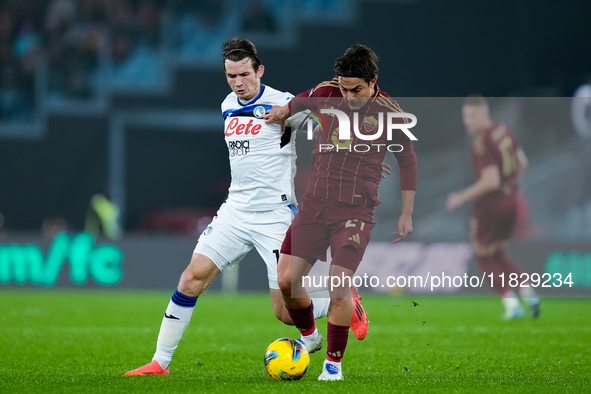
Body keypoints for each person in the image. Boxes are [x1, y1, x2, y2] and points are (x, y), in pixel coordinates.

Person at [124, 37, 337, 376]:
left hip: (274, 217)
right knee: (191, 278)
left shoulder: (282, 103)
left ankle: (340, 305)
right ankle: (159, 362)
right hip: (234, 212)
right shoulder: (227, 104)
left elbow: (323, 119)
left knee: (283, 312)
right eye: (231, 76)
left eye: (244, 75)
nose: (238, 83)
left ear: (259, 70)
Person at [265, 44, 417, 381]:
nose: (349, 96)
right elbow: (302, 101)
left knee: (336, 285)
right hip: (315, 205)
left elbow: (407, 159)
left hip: (355, 212)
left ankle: (333, 367)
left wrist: (406, 212)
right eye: (344, 88)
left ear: (373, 82)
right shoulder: (327, 92)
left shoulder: (389, 112)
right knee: (287, 281)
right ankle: (311, 339)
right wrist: (282, 112)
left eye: (357, 90)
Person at [446, 94, 541, 320]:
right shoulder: (503, 131)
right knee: (497, 253)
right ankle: (529, 294)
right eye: (465, 116)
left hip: (491, 205)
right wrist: (510, 185)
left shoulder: (482, 143)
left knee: (483, 256)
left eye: (472, 115)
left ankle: (511, 304)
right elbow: (523, 164)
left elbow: (490, 181)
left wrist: (461, 197)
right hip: (511, 200)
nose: (468, 121)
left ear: (484, 113)